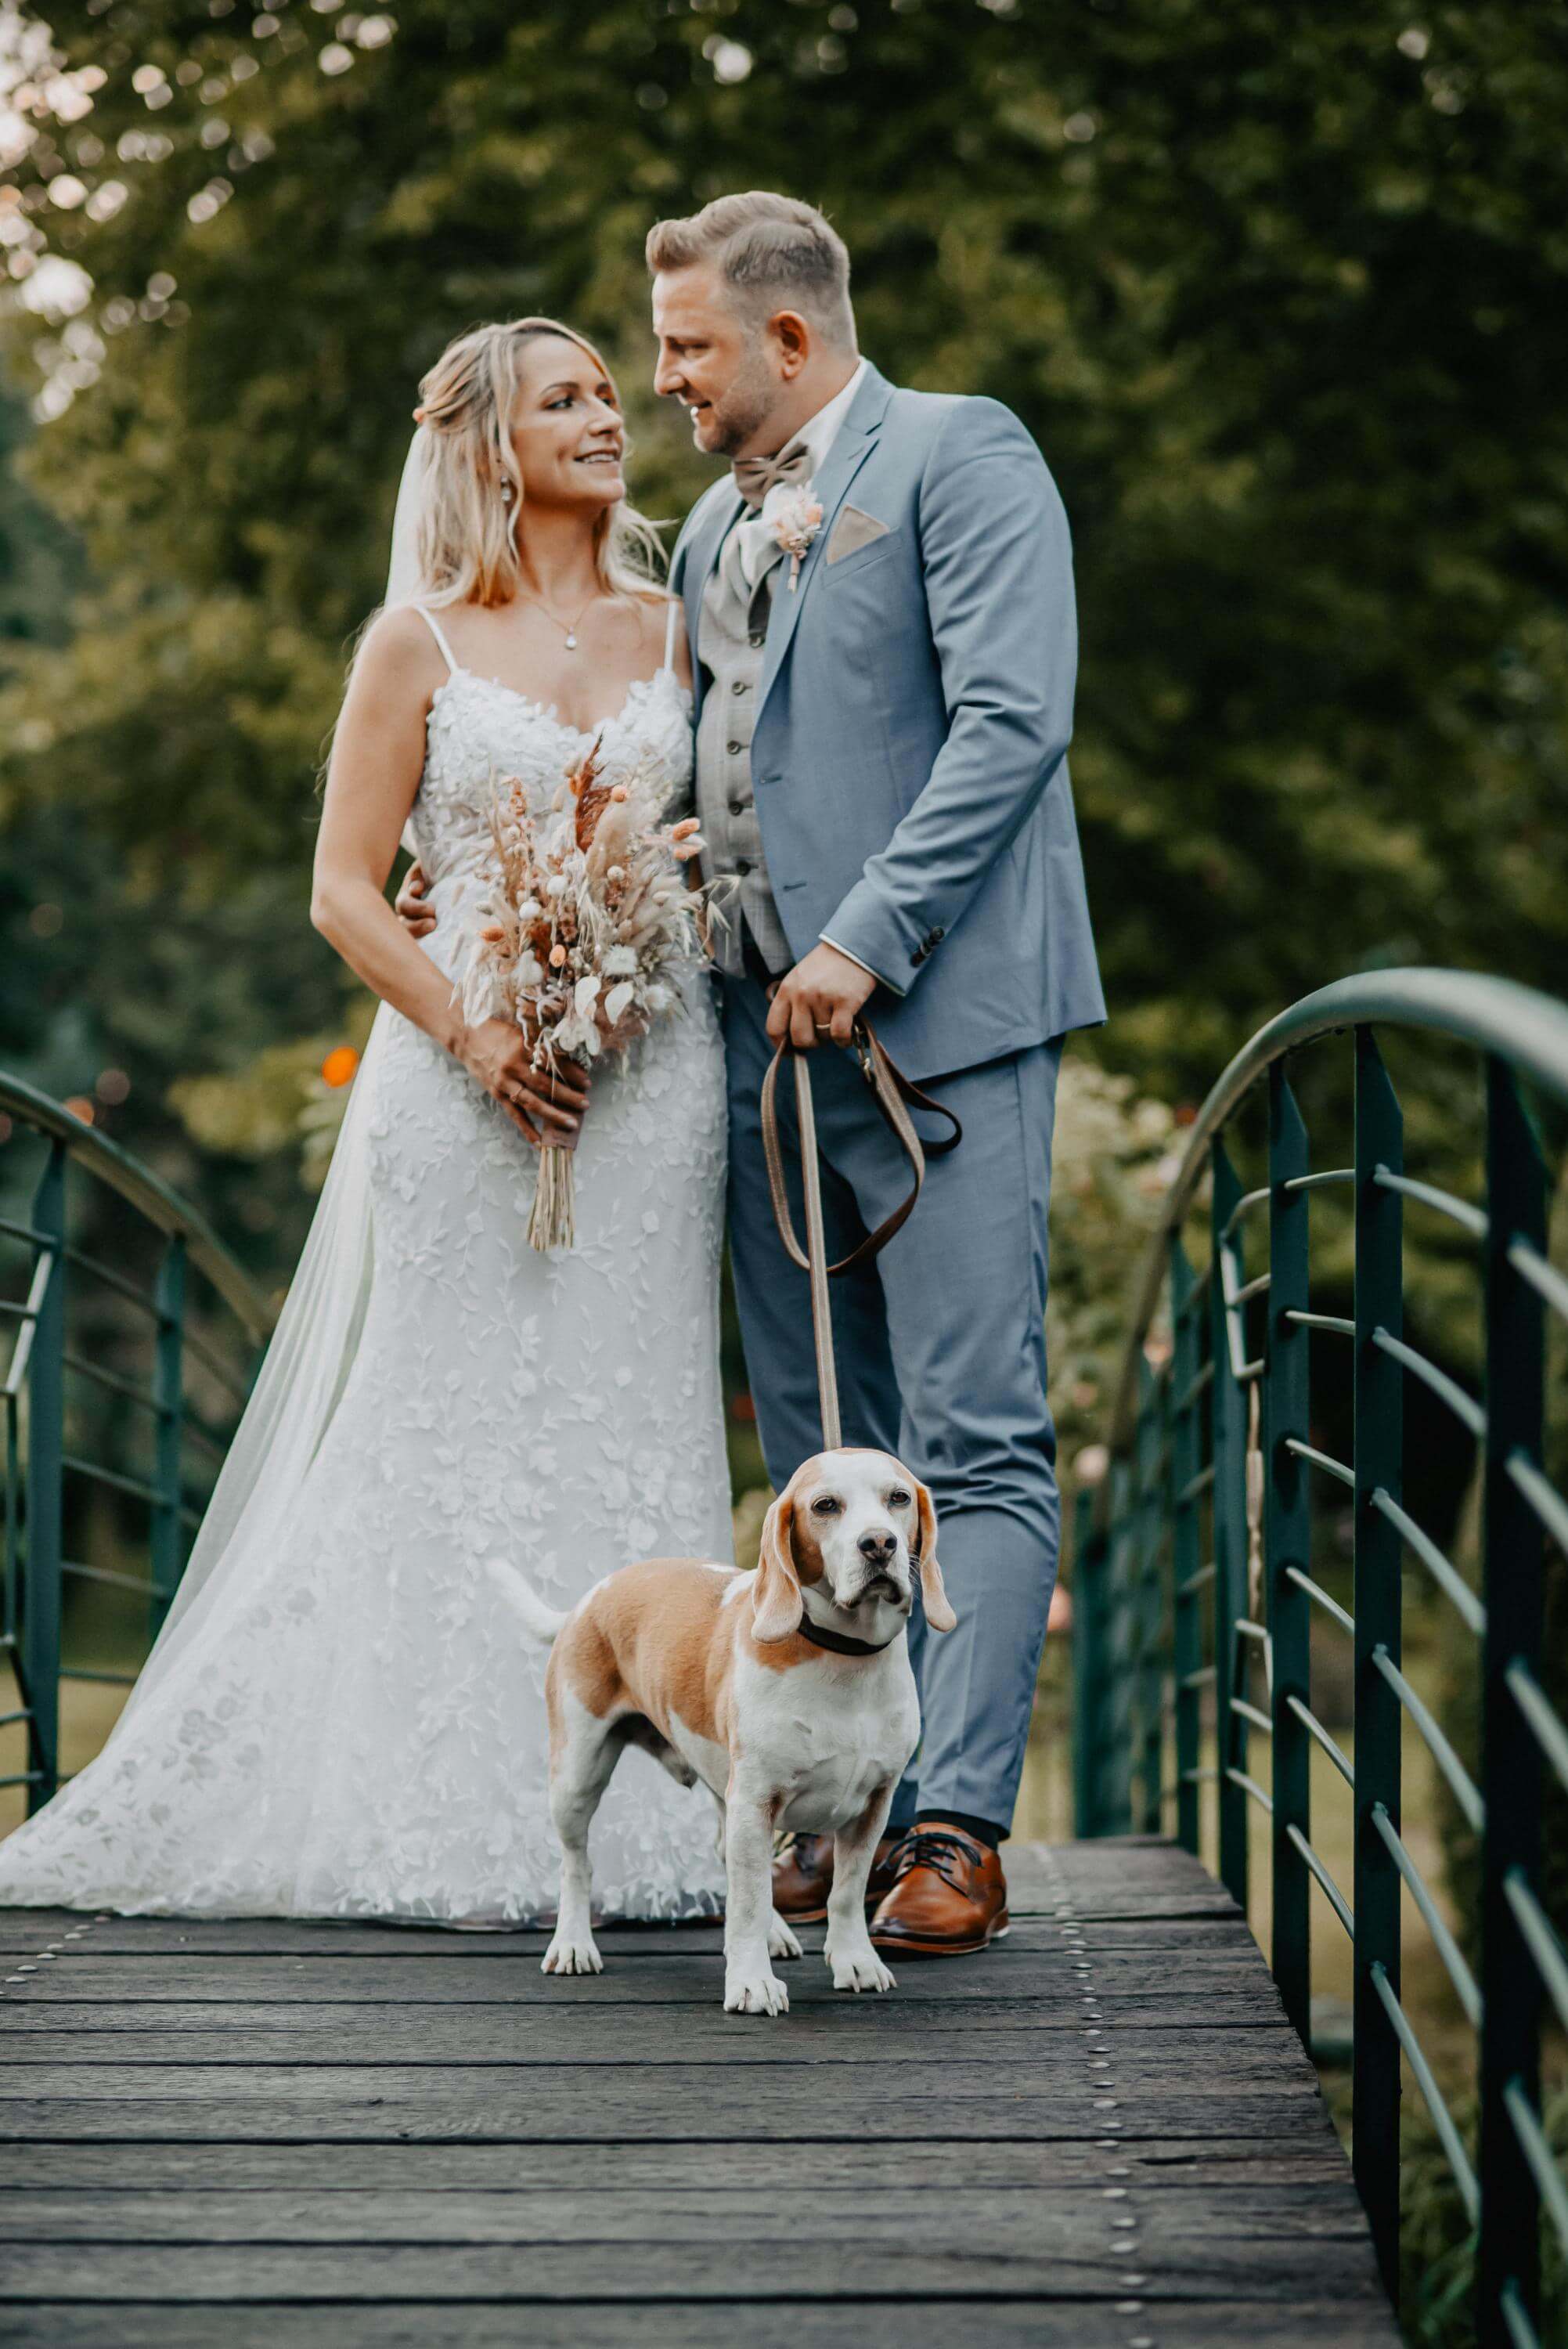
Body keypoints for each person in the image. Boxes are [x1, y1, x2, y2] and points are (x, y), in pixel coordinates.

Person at [406, 194, 1105, 1956]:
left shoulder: (964, 454)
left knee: (974, 1438)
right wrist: (495, 878)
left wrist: (865, 937)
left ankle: (951, 1831)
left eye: (689, 350)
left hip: (941, 1031)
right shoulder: (714, 523)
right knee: (815, 1457)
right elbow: (707, 775)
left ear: (788, 343)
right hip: (753, 1049)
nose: (664, 383)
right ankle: (823, 1834)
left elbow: (1016, 719)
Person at [0, 318, 732, 1924]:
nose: (611, 415)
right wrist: (479, 1028)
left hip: (656, 1083)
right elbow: (343, 890)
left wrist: (633, 950)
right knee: (447, 1431)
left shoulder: (687, 629)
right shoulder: (417, 644)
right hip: (458, 1077)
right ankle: (443, 1809)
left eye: (614, 392)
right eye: (569, 399)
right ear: (488, 447)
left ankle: (667, 1807)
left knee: (633, 1410)